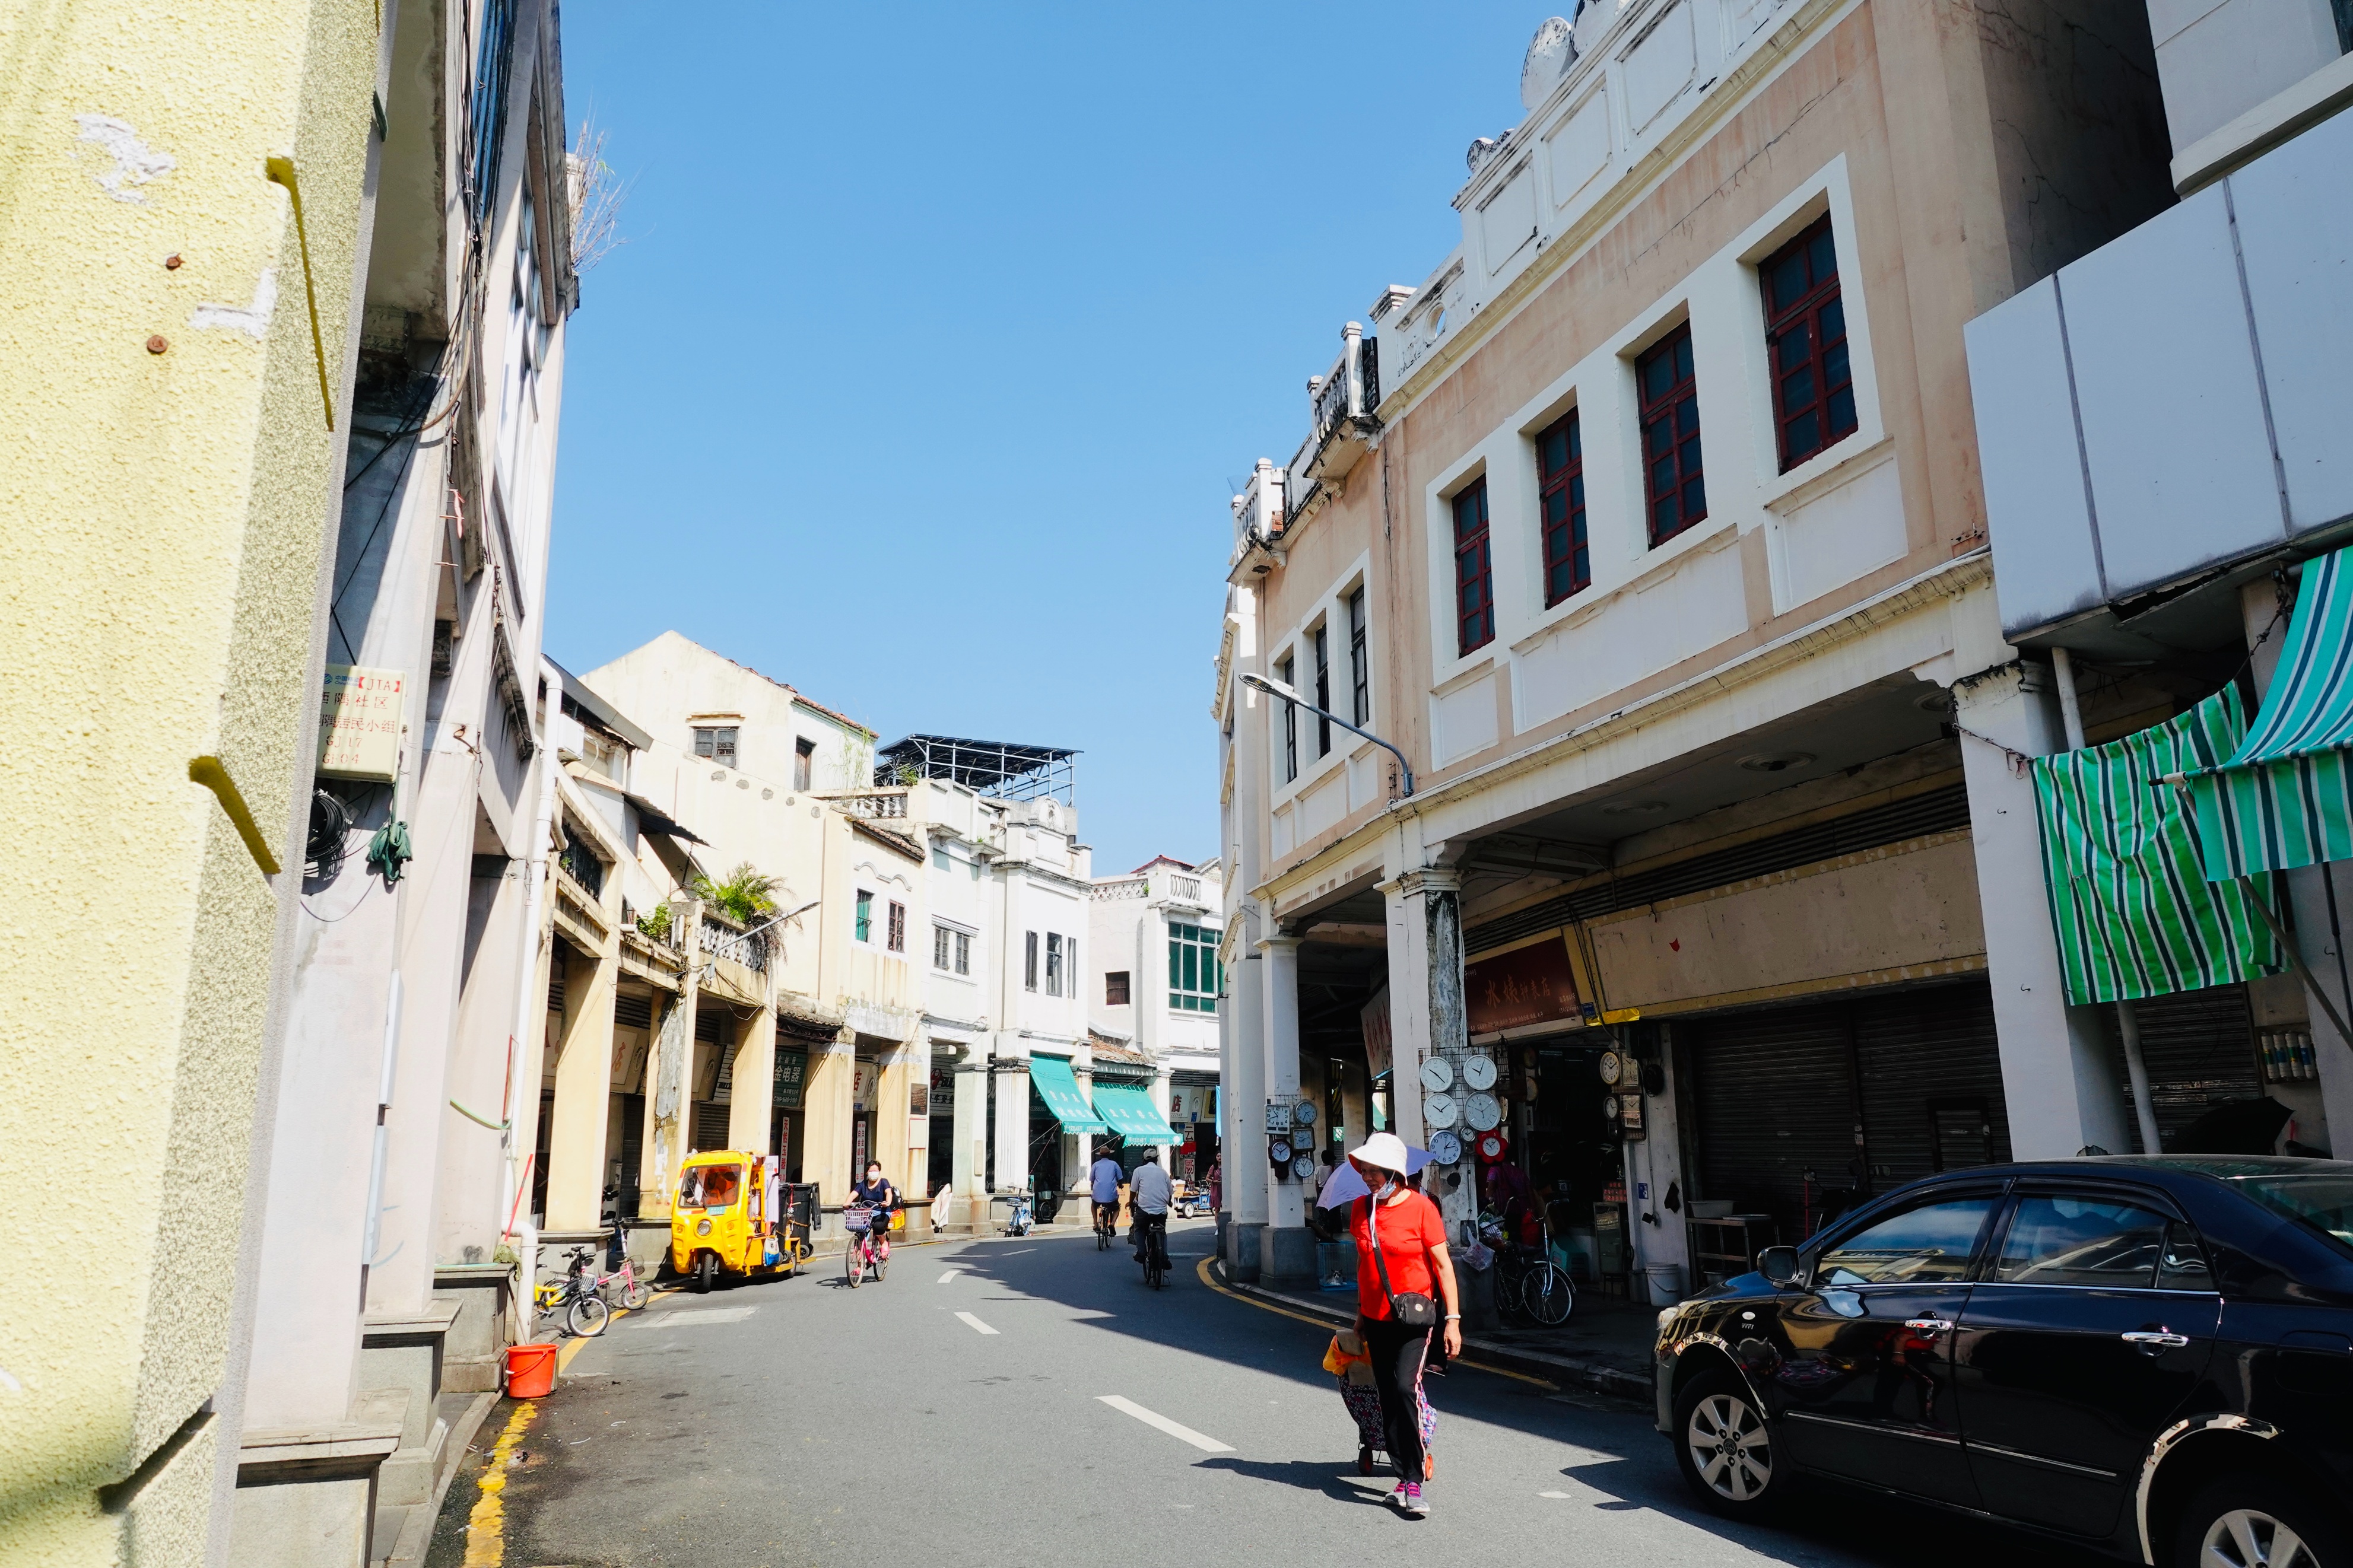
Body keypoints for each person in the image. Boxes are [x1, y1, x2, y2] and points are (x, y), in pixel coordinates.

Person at [1346, 1132, 1460, 1518]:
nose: (1368, 1177)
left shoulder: (1421, 1208)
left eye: (1374, 1170)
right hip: (1376, 1318)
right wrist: (1361, 1314)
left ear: (1393, 1171)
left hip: (1414, 1318)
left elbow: (1443, 1266)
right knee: (1386, 1396)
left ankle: (1413, 1479)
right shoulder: (1361, 1209)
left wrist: (1454, 1321)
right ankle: (1401, 1477)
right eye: (1364, 1170)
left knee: (1404, 1388)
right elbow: (1364, 1265)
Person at [1128, 1145, 1173, 1267]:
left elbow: (1133, 1191)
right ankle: (1164, 1257)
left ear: (1144, 1161)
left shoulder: (1139, 1171)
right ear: (1156, 1160)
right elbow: (1170, 1192)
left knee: (1139, 1228)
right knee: (1162, 1232)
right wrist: (1169, 1202)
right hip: (1161, 1212)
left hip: (1144, 1211)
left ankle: (1142, 1253)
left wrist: (1131, 1203)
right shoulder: (1163, 1173)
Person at [850, 1160, 897, 1265]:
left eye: (876, 1170)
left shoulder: (884, 1182)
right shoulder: (863, 1184)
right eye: (871, 1171)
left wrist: (887, 1202)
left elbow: (888, 1193)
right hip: (866, 1213)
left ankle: (884, 1242)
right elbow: (854, 1194)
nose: (873, 1173)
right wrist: (847, 1202)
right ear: (866, 1173)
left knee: (878, 1227)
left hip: (882, 1212)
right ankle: (859, 1266)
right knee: (860, 1235)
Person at [1088, 1146, 1123, 1239]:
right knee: (1117, 1208)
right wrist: (1120, 1185)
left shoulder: (1096, 1165)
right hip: (1110, 1196)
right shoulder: (1114, 1164)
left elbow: (1091, 1179)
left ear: (1100, 1156)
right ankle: (1112, 1224)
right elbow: (1120, 1179)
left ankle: (1096, 1224)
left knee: (1094, 1205)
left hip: (1097, 1195)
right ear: (1109, 1155)